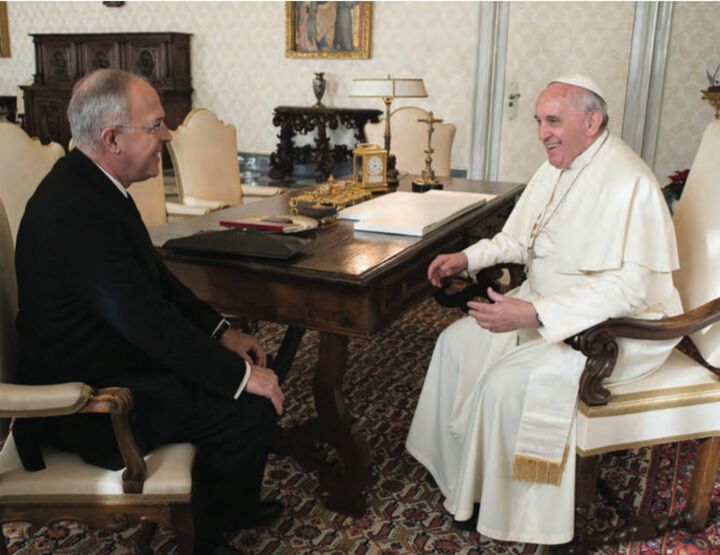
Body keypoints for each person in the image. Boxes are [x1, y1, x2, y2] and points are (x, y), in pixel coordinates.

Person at [13, 68, 284, 555]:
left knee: (242, 374)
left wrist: (221, 333)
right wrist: (240, 378)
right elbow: (148, 323)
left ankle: (231, 507)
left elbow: (158, 285)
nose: (168, 135)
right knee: (251, 404)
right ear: (112, 139)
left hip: (112, 360)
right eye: (156, 125)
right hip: (86, 402)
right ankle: (207, 536)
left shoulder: (93, 186)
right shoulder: (75, 212)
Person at [405, 74, 682, 545]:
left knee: (505, 385)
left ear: (591, 122)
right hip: (542, 301)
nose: (542, 134)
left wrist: (535, 315)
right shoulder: (557, 165)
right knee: (454, 342)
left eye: (553, 121)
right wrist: (467, 258)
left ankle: (508, 510)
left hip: (609, 327)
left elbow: (631, 289)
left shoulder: (628, 181)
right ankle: (458, 476)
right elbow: (517, 239)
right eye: (538, 121)